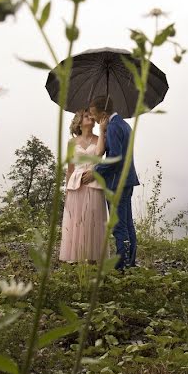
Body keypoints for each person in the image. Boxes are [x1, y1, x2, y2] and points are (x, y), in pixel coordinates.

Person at [85, 96, 139, 270]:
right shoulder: (124, 125)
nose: (92, 117)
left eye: (93, 114)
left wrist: (95, 172)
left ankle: (121, 266)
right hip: (128, 180)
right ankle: (130, 262)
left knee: (118, 226)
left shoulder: (114, 127)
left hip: (117, 183)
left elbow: (115, 157)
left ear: (103, 113)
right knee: (127, 223)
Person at [59, 108, 107, 263]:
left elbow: (100, 156)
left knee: (93, 219)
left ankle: (93, 256)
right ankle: (76, 257)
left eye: (91, 116)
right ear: (79, 121)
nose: (91, 118)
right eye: (86, 116)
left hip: (94, 181)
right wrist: (67, 190)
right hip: (76, 184)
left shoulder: (100, 138)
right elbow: (70, 168)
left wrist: (102, 129)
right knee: (77, 220)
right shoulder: (72, 143)